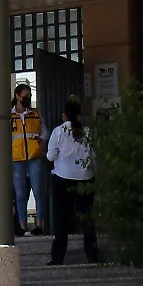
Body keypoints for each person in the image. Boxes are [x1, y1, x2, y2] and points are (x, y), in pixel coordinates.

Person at [44, 98, 98, 265]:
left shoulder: (59, 132)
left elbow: (50, 156)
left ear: (64, 115)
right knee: (87, 218)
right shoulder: (88, 131)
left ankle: (58, 257)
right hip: (85, 178)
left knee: (61, 219)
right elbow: (93, 155)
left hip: (62, 178)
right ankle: (92, 254)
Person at [11, 83, 47, 235]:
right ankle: (23, 226)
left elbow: (45, 133)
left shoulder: (36, 114)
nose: (28, 99)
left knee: (38, 191)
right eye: (26, 96)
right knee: (20, 195)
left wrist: (39, 139)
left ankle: (39, 225)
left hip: (34, 157)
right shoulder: (9, 117)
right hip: (17, 159)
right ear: (18, 96)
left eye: (30, 96)